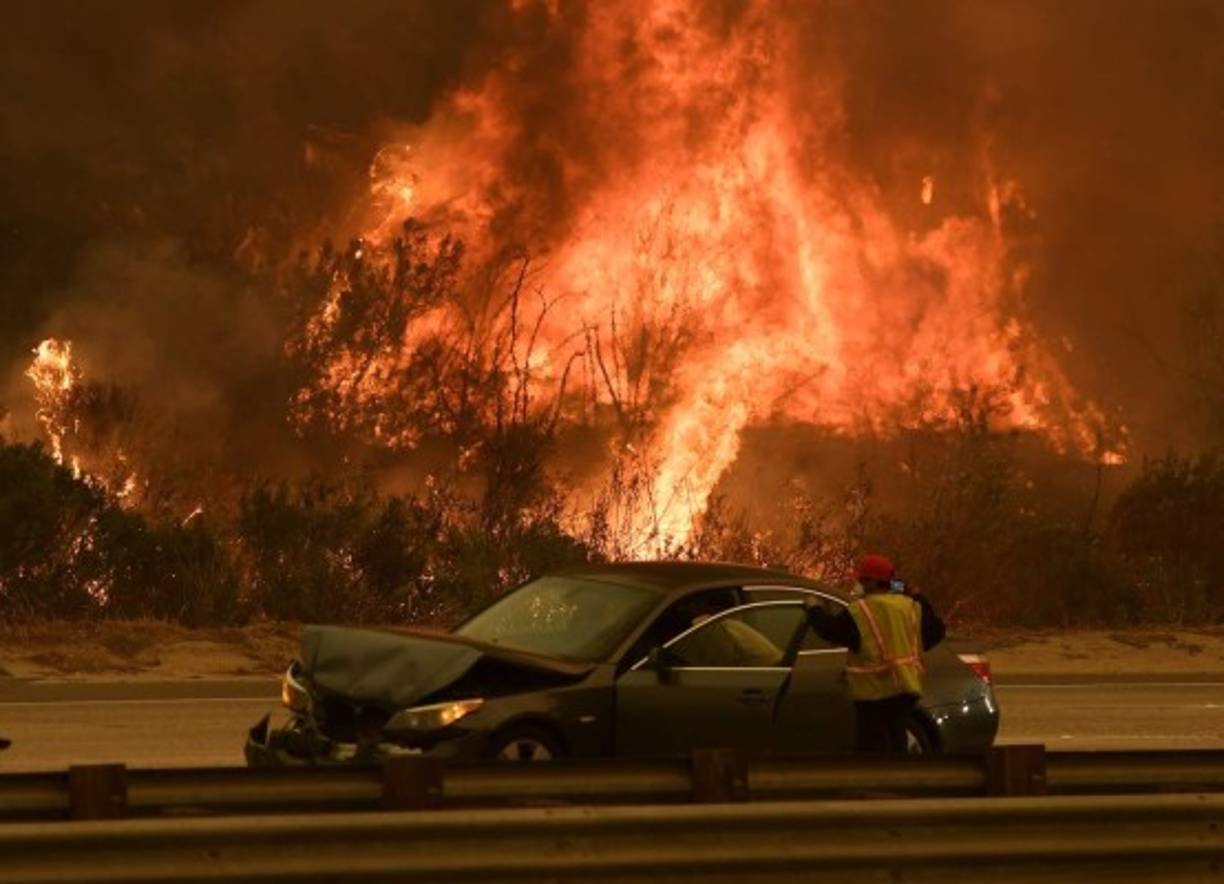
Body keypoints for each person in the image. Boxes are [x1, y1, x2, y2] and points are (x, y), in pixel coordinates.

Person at [806, 554, 945, 752]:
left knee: (873, 747)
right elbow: (936, 630)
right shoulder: (910, 607)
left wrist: (814, 609)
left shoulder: (861, 610)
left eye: (862, 580)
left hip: (874, 691)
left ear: (871, 582)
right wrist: (914, 593)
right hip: (905, 689)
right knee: (897, 740)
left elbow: (830, 630)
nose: (859, 584)